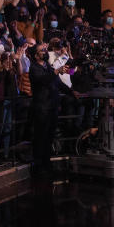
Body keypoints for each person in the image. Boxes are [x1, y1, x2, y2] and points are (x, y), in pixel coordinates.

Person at [29, 42, 73, 175]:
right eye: (42, 50)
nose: (45, 51)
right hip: (42, 107)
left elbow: (57, 82)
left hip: (52, 107)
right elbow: (44, 80)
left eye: (45, 49)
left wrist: (72, 91)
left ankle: (46, 163)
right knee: (41, 136)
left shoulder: (47, 66)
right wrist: (56, 71)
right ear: (36, 55)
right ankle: (38, 165)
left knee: (49, 136)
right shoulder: (34, 68)